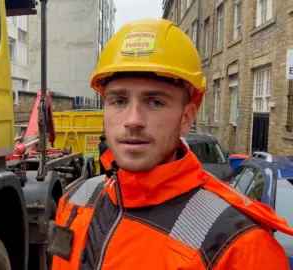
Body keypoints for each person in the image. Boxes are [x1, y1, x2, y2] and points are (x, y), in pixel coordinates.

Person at [48, 18, 293, 270]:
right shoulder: (75, 201)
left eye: (155, 102)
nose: (133, 120)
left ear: (186, 117)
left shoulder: (240, 247)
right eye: (119, 101)